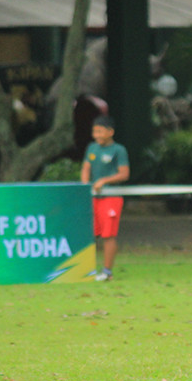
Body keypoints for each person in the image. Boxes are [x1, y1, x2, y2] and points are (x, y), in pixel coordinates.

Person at [81, 114, 130, 282]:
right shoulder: (92, 148)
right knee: (90, 233)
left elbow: (124, 174)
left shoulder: (119, 150)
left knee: (108, 235)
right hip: (93, 197)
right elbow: (86, 168)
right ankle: (85, 270)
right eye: (95, 132)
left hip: (111, 197)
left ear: (110, 132)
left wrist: (104, 181)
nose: (97, 136)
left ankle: (107, 272)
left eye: (100, 132)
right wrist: (85, 185)